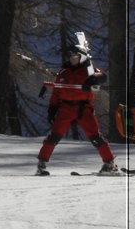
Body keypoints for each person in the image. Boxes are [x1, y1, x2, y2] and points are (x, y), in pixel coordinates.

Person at [36, 42, 118, 176]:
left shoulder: (88, 70)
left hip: (84, 108)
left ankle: (109, 163)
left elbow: (102, 76)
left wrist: (93, 80)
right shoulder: (64, 71)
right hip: (65, 108)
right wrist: (52, 108)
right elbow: (57, 91)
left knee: (95, 136)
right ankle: (41, 164)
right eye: (71, 57)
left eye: (76, 57)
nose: (72, 59)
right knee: (54, 136)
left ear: (82, 57)